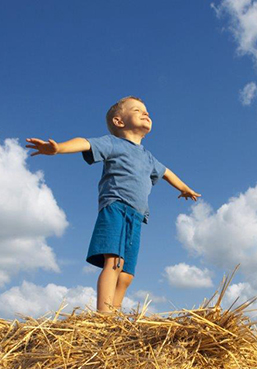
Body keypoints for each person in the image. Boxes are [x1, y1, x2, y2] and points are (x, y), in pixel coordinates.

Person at [26, 96, 200, 313]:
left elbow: (166, 173)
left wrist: (184, 188)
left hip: (137, 216)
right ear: (119, 122)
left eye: (146, 111)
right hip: (116, 207)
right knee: (114, 262)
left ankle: (114, 320)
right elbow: (84, 142)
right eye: (137, 110)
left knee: (126, 275)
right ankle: (104, 317)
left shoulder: (148, 157)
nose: (145, 113)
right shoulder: (113, 143)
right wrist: (58, 148)